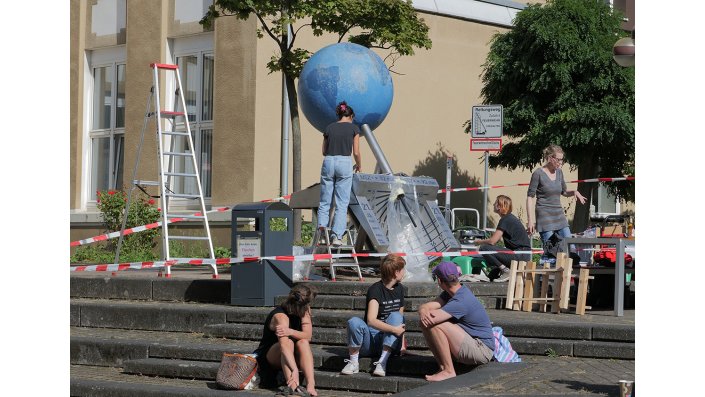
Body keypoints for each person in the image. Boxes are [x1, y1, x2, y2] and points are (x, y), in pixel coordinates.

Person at [419, 261, 494, 382]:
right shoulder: (450, 293)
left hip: (481, 349)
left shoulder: (461, 299)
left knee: (436, 325)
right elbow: (427, 307)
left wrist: (425, 312)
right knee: (426, 322)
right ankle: (443, 367)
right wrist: (423, 311)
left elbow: (432, 317)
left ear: (439, 281)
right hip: (470, 343)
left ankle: (449, 371)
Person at [340, 254, 407, 377]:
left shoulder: (400, 289)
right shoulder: (375, 290)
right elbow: (371, 321)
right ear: (396, 273)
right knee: (354, 321)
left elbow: (400, 321)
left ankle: (382, 362)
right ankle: (354, 363)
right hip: (370, 341)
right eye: (403, 269)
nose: (404, 272)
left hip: (390, 342)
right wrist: (394, 329)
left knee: (396, 316)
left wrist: (402, 344)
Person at [253, 284, 318, 397]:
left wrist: (290, 332)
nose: (308, 308)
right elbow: (284, 347)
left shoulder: (304, 309)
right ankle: (292, 384)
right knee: (289, 342)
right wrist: (294, 370)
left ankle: (311, 385)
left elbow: (308, 336)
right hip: (272, 355)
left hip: (292, 354)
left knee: (303, 342)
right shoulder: (281, 317)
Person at [317, 101, 363, 247]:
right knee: (342, 203)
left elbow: (324, 151)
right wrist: (359, 165)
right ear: (351, 116)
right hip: (344, 162)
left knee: (325, 201)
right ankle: (336, 236)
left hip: (329, 161)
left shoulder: (329, 127)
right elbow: (355, 152)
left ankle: (322, 235)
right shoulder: (354, 128)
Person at [526, 144, 587, 244]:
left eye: (561, 160)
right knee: (551, 250)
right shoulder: (538, 173)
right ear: (550, 158)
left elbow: (564, 192)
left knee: (570, 246)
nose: (560, 162)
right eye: (558, 159)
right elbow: (530, 197)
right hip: (544, 215)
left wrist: (575, 192)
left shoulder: (559, 172)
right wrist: (530, 220)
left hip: (559, 215)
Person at [473, 195, 532, 282]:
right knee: (495, 264)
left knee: (484, 248)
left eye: (495, 203)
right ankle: (496, 274)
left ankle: (506, 271)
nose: (493, 204)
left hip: (519, 255)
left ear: (500, 206)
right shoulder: (510, 218)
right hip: (524, 255)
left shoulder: (505, 220)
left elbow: (492, 241)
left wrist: (479, 242)